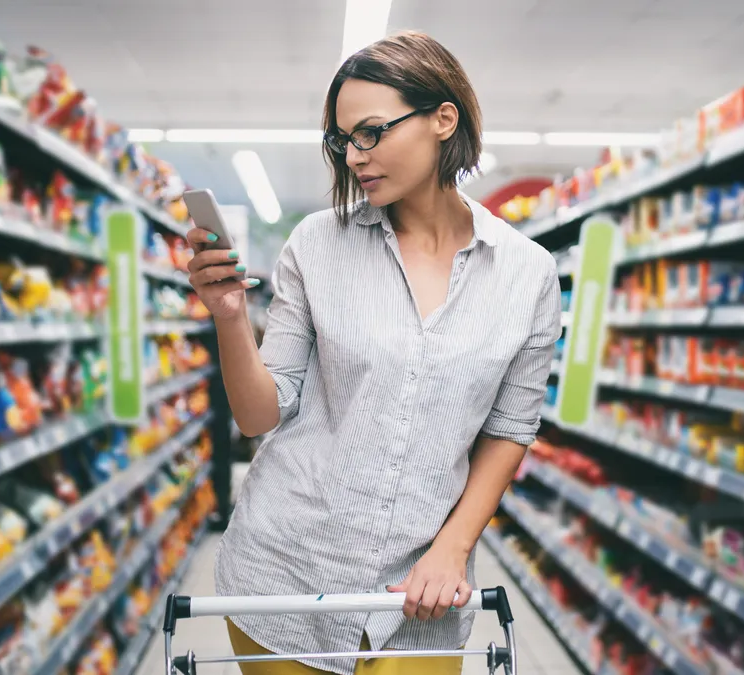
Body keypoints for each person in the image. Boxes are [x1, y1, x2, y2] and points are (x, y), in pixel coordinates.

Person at [185, 30, 561, 675]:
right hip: (286, 571)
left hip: (421, 591)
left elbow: (508, 430)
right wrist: (227, 319)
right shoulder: (315, 245)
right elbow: (258, 417)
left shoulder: (527, 273)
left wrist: (453, 548)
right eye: (341, 140)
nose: (355, 156)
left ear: (444, 119)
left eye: (372, 131)